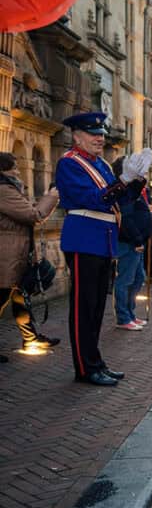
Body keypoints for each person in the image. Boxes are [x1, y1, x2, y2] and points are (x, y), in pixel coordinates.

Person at [56, 112, 152, 385]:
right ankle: (85, 368)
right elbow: (95, 200)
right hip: (84, 237)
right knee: (84, 307)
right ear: (77, 136)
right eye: (93, 133)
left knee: (97, 306)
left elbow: (122, 199)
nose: (100, 138)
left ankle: (95, 362)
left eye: (101, 133)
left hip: (102, 239)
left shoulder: (100, 165)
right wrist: (123, 180)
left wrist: (137, 179)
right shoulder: (70, 164)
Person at [0, 151, 61, 360]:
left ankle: (31, 338)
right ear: (4, 170)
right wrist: (52, 196)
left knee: (20, 298)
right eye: (14, 168)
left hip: (15, 253)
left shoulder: (9, 188)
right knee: (3, 298)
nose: (18, 172)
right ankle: (31, 338)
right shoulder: (3, 190)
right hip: (6, 255)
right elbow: (33, 215)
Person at [111, 156, 152, 331]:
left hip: (137, 241)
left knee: (138, 278)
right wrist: (137, 239)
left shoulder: (132, 188)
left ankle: (130, 313)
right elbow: (126, 218)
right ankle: (123, 317)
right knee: (126, 280)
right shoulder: (123, 190)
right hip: (129, 242)